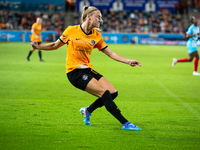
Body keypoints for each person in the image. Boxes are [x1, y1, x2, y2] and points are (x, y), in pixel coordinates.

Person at [31, 6, 142, 131]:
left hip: (87, 69)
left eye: (101, 18)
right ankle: (125, 123)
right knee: (104, 93)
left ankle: (88, 110)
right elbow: (55, 45)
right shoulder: (71, 30)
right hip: (74, 72)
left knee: (113, 93)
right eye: (98, 17)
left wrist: (128, 61)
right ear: (88, 16)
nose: (101, 20)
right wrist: (38, 47)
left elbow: (110, 53)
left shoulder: (96, 36)